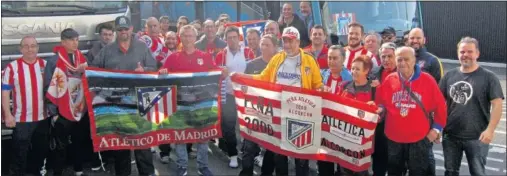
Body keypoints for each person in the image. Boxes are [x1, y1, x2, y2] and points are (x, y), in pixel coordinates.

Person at [234, 26, 323, 176]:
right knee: (279, 155)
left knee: (301, 158)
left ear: (298, 41)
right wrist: (240, 77)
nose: (287, 44)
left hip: (301, 116)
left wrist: (321, 91)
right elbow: (262, 78)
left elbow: (317, 85)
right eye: (285, 41)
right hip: (278, 115)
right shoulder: (277, 58)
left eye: (291, 41)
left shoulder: (309, 60)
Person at [91, 16, 157, 176]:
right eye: (120, 30)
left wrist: (145, 71)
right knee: (121, 146)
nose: (123, 32)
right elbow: (94, 70)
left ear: (131, 29)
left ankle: (147, 173)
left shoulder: (142, 47)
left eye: (125, 29)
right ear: (116, 31)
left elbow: (154, 68)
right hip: (117, 104)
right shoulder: (107, 50)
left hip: (140, 102)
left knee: (143, 144)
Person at [376, 46, 447, 175]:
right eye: (399, 59)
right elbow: (382, 101)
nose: (402, 63)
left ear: (414, 60)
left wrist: (436, 129)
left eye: (406, 59)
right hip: (394, 138)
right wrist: (380, 109)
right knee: (394, 171)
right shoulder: (389, 79)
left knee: (419, 172)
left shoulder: (427, 80)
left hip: (419, 139)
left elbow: (441, 106)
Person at [439, 37, 504, 176]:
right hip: (450, 136)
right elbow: (439, 103)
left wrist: (490, 130)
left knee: (478, 172)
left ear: (477, 54)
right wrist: (437, 127)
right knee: (450, 171)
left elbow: (497, 104)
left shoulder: (489, 77)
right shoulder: (449, 76)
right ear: (458, 53)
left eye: (470, 51)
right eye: (462, 51)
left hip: (477, 137)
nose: (465, 55)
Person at [158, 25, 216, 176]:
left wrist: (223, 72)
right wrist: (162, 71)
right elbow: (161, 74)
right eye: (185, 36)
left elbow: (216, 76)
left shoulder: (205, 57)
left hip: (201, 105)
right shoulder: (172, 58)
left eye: (191, 36)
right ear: (180, 38)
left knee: (202, 137)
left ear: (195, 38)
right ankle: (182, 166)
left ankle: (202, 166)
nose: (188, 39)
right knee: (180, 137)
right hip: (180, 105)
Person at [44, 28, 100, 176]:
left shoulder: (82, 58)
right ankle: (58, 172)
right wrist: (53, 112)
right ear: (63, 42)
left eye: (76, 39)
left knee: (79, 141)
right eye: (71, 40)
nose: (75, 43)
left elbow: (90, 81)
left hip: (80, 108)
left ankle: (78, 169)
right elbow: (48, 87)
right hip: (62, 109)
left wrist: (85, 71)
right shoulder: (54, 60)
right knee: (60, 146)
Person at [2, 36, 50, 176]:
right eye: (26, 46)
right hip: (21, 119)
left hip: (43, 118)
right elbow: (5, 93)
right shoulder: (12, 67)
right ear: (20, 48)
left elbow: (54, 90)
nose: (30, 49)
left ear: (38, 48)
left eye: (33, 46)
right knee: (19, 155)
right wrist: (8, 114)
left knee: (40, 153)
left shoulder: (45, 65)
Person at [239, 34, 280, 176]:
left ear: (275, 47)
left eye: (267, 45)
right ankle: (246, 172)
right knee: (248, 147)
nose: (263, 47)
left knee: (271, 149)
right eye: (262, 44)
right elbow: (243, 85)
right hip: (254, 112)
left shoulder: (280, 65)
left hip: (273, 114)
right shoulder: (251, 64)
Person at [215, 26, 256, 168]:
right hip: (229, 95)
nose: (232, 40)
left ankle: (249, 154)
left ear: (239, 38)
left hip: (246, 95)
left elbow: (254, 73)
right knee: (228, 126)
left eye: (234, 37)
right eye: (229, 38)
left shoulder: (248, 52)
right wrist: (221, 74)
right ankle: (233, 154)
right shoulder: (221, 54)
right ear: (225, 40)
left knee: (248, 126)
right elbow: (215, 75)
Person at [335, 55, 377, 176]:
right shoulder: (344, 86)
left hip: (363, 141)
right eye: (352, 68)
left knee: (360, 171)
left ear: (366, 71)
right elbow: (336, 107)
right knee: (343, 170)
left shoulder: (374, 88)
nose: (353, 71)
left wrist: (375, 109)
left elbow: (381, 111)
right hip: (344, 137)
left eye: (357, 69)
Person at [316, 45, 352, 176]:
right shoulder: (321, 75)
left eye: (335, 58)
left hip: (342, 128)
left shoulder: (351, 78)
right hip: (324, 127)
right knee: (324, 164)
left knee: (343, 165)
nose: (331, 61)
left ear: (343, 59)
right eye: (329, 58)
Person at [369, 42, 397, 176]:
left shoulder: (402, 73)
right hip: (379, 122)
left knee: (395, 159)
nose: (386, 60)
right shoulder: (374, 72)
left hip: (396, 121)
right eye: (383, 56)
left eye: (389, 56)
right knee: (379, 155)